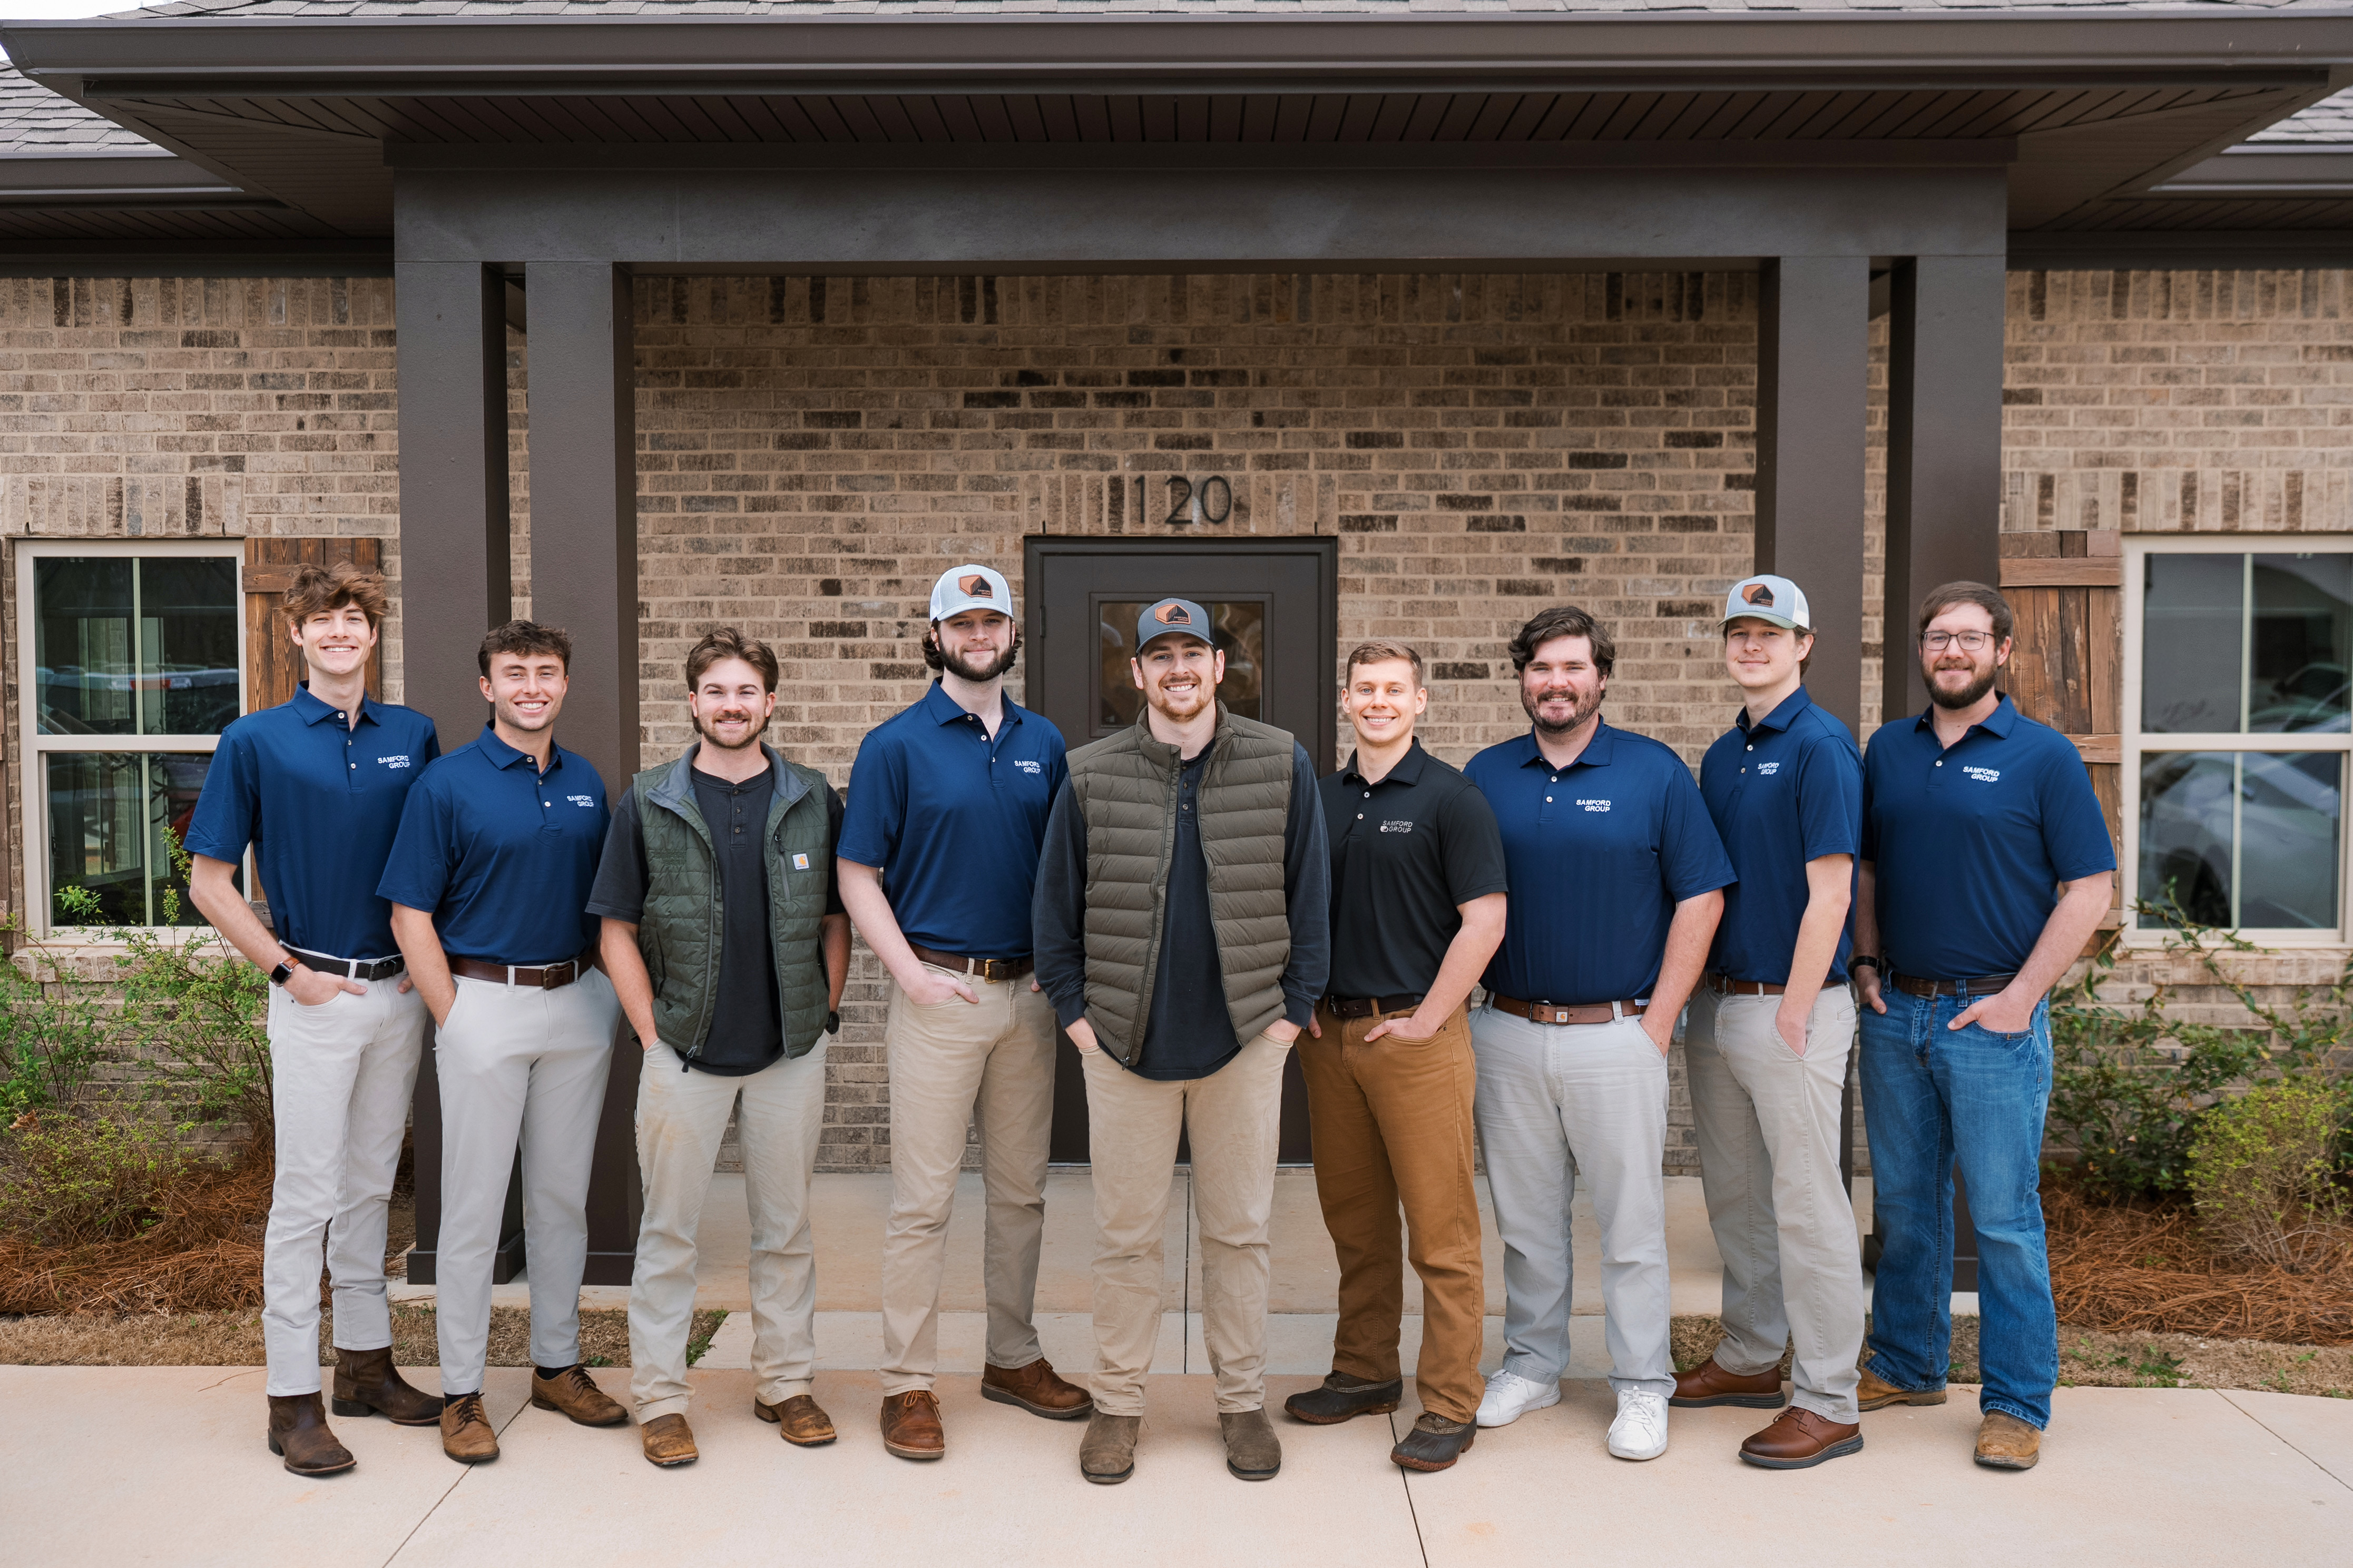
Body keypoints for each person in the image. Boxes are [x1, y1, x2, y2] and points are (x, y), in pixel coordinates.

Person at [1034, 597, 1330, 1486]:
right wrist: (1077, 1017)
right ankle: (1119, 1405)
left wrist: (1289, 1015)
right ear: (1136, 673)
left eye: (1191, 653)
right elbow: (1054, 908)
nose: (1177, 669)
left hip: (1244, 1041)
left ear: (1217, 666)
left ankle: (1240, 1403)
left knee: (1239, 1235)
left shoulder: (1280, 760)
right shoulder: (1089, 772)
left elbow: (1310, 896)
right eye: (1158, 655)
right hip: (1124, 1046)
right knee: (1126, 1239)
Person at [184, 562, 443, 1476]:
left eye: (355, 618)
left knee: (372, 1187)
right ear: (296, 633)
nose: (341, 631)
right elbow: (209, 884)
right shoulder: (254, 739)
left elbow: (436, 859)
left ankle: (365, 1366)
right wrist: (288, 974)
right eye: (324, 619)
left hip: (396, 997)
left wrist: (424, 968)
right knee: (306, 1196)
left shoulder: (413, 734)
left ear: (374, 632)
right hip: (315, 995)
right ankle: (291, 1398)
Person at [1852, 582, 2115, 1473]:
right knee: (1904, 1206)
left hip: (1993, 1017)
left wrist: (2022, 997)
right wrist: (1863, 961)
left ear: (2002, 650)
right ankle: (1906, 1362)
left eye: (1969, 637)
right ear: (1921, 649)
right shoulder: (1888, 750)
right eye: (1937, 637)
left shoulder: (2043, 756)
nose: (1951, 651)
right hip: (1896, 1009)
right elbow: (1866, 870)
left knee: (2001, 1218)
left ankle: (2014, 1402)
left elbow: (2089, 889)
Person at [1463, 605, 1732, 1463]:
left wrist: (1658, 1022)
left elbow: (1701, 897)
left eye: (1572, 667)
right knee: (1525, 1220)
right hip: (1507, 1028)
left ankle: (1642, 1382)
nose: (1556, 682)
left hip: (1618, 1033)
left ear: (1601, 677)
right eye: (1541, 667)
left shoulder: (1653, 772)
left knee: (1631, 1225)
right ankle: (1532, 1363)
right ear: (1522, 678)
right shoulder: (1485, 774)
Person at [836, 564, 1090, 1463]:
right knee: (923, 1202)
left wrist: (1057, 965)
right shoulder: (894, 745)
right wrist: (908, 974)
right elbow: (857, 873)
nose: (978, 637)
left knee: (1021, 1193)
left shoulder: (1042, 740)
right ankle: (907, 1381)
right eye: (962, 623)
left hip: (1027, 998)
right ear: (935, 636)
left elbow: (1064, 868)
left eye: (992, 622)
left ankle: (1011, 1356)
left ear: (1013, 634)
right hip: (939, 993)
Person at [589, 629, 852, 1468]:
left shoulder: (811, 796)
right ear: (692, 701)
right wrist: (649, 1033)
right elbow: (615, 928)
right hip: (683, 1053)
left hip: (787, 1054)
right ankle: (662, 1399)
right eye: (716, 691)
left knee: (786, 1228)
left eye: (746, 691)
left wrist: (821, 1013)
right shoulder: (649, 800)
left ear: (770, 701)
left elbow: (836, 919)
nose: (731, 705)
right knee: (669, 1233)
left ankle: (786, 1383)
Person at [380, 619, 630, 1465]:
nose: (532, 686)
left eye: (546, 672)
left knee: (561, 1199)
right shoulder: (445, 784)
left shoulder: (585, 782)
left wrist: (609, 995)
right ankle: (461, 1390)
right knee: (474, 1207)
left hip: (578, 1005)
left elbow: (608, 905)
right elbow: (409, 913)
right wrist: (454, 1014)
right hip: (484, 1002)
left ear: (565, 684)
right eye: (515, 673)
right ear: (487, 687)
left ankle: (557, 1365)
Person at [1285, 640, 1506, 1474]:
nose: (1378, 700)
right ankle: (1365, 1370)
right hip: (1331, 1039)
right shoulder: (1318, 797)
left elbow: (1485, 920)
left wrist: (1427, 1020)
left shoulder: (1453, 798)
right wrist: (1301, 997)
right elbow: (1290, 907)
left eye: (1393, 688)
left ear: (1420, 700)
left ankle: (1449, 1399)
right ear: (1345, 700)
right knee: (1357, 1222)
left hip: (1417, 1037)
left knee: (1441, 1232)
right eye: (1364, 688)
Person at [1681, 575, 1868, 1469]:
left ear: (1803, 644)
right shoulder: (1723, 753)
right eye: (1738, 633)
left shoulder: (1820, 746)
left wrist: (1794, 1010)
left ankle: (1829, 1398)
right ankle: (1751, 1354)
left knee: (1806, 1205)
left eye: (1769, 633)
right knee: (1737, 1196)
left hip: (1791, 1008)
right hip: (1721, 1002)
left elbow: (1831, 891)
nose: (1751, 646)